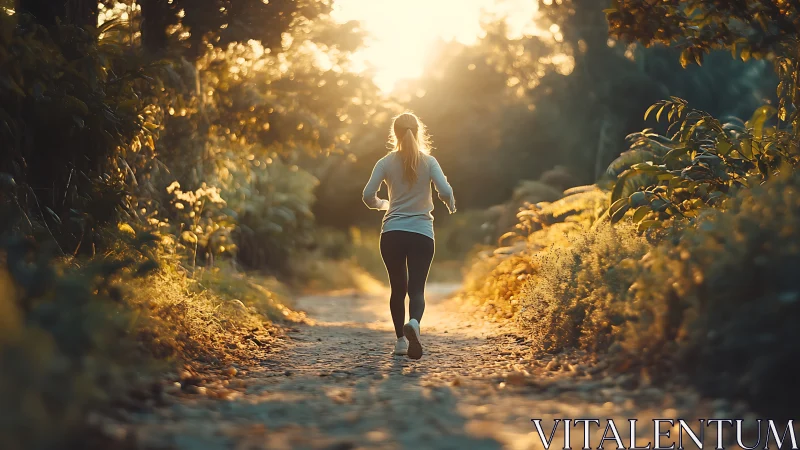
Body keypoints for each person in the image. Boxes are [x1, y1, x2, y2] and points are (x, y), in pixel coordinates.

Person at [362, 112, 456, 360]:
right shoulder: (430, 161)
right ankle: (414, 322)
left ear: (395, 133)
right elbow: (444, 190)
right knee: (417, 290)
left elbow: (367, 194)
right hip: (421, 233)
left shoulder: (384, 162)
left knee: (397, 289)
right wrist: (450, 202)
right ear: (418, 131)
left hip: (392, 232)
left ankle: (400, 342)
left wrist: (384, 205)